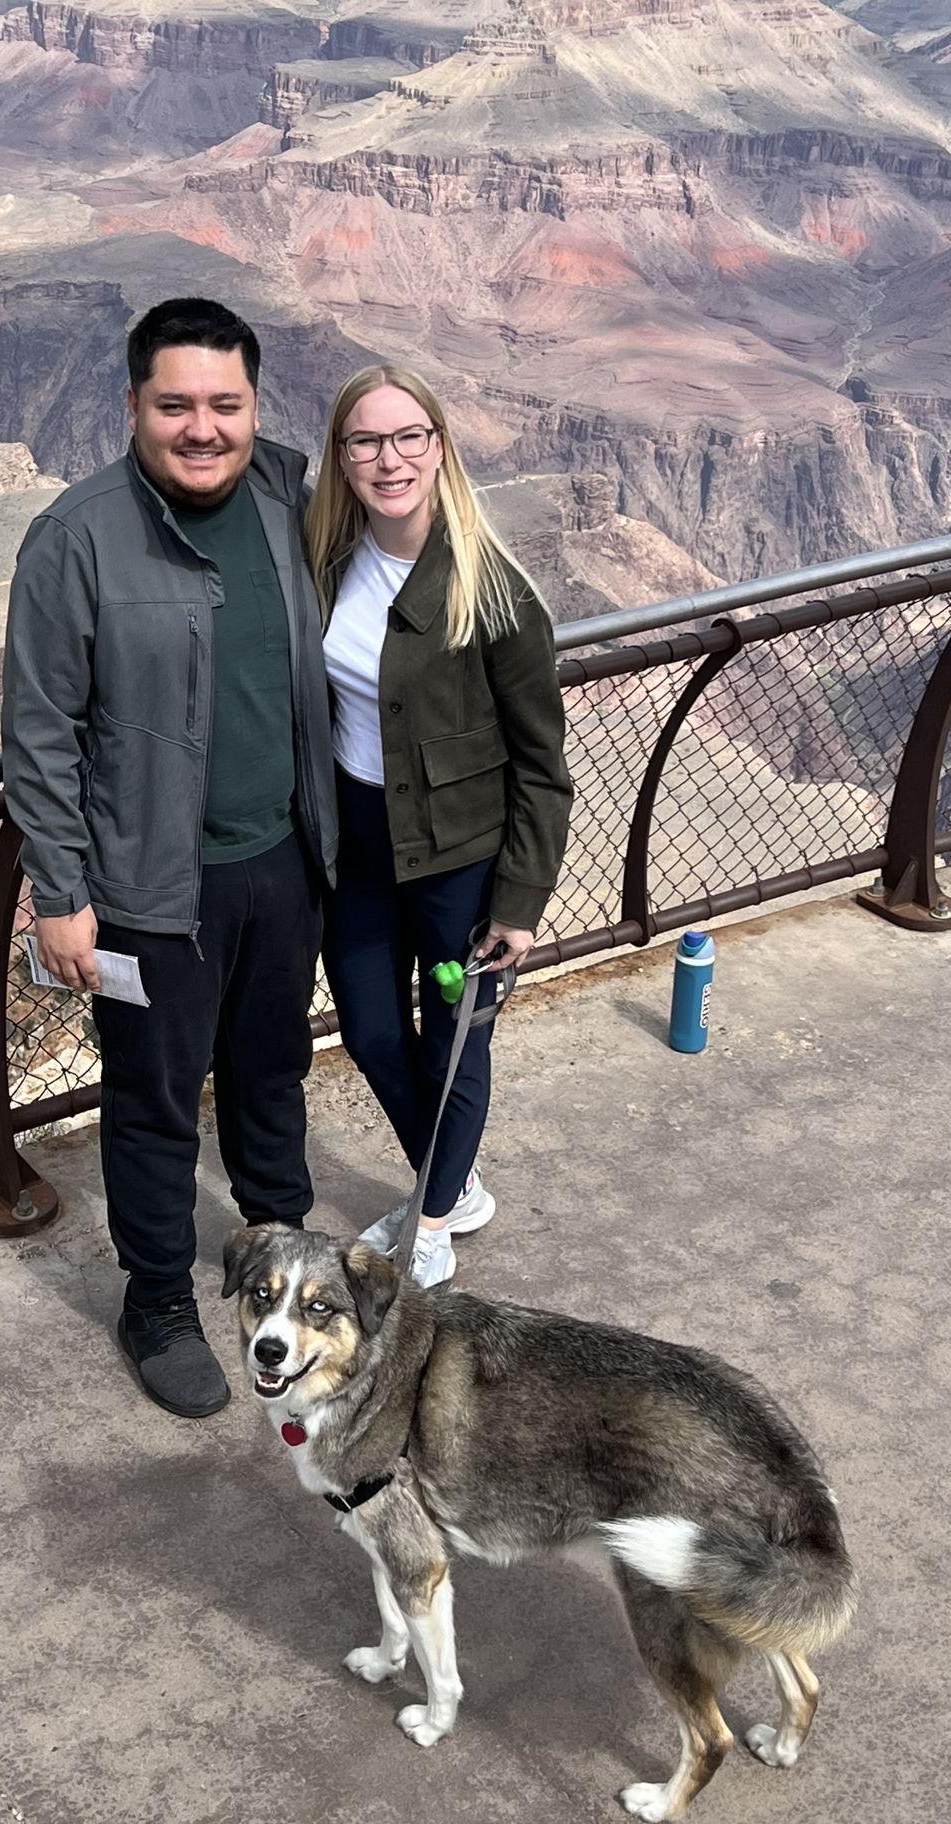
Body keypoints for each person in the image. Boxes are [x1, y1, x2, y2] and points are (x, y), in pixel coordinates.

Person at [1, 298, 338, 1418]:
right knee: (151, 1101)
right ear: (134, 404)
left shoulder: (295, 494)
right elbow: (39, 728)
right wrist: (62, 891)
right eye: (175, 404)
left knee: (270, 1070)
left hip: (282, 859)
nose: (203, 428)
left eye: (224, 404)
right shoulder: (77, 535)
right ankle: (155, 1301)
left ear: (255, 404)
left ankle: (282, 1259)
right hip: (150, 887)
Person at [305, 364, 571, 1287]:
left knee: (456, 1040)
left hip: (462, 864)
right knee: (374, 1031)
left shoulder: (492, 592)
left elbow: (543, 765)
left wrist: (521, 900)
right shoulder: (328, 561)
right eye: (366, 441)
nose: (390, 459)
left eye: (409, 436)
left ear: (440, 446)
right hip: (364, 851)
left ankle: (428, 1214)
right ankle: (453, 1185)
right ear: (341, 458)